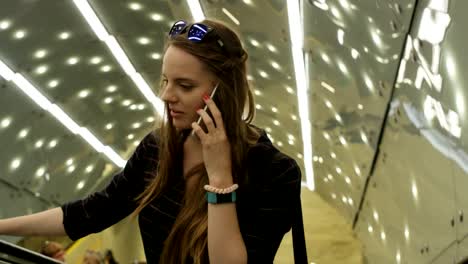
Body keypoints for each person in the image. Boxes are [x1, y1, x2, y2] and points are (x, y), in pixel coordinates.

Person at [0, 19, 302, 263]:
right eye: (165, 81)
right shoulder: (158, 147)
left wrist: (220, 176)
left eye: (185, 85)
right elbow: (90, 213)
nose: (167, 96)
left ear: (225, 91)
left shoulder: (274, 172)